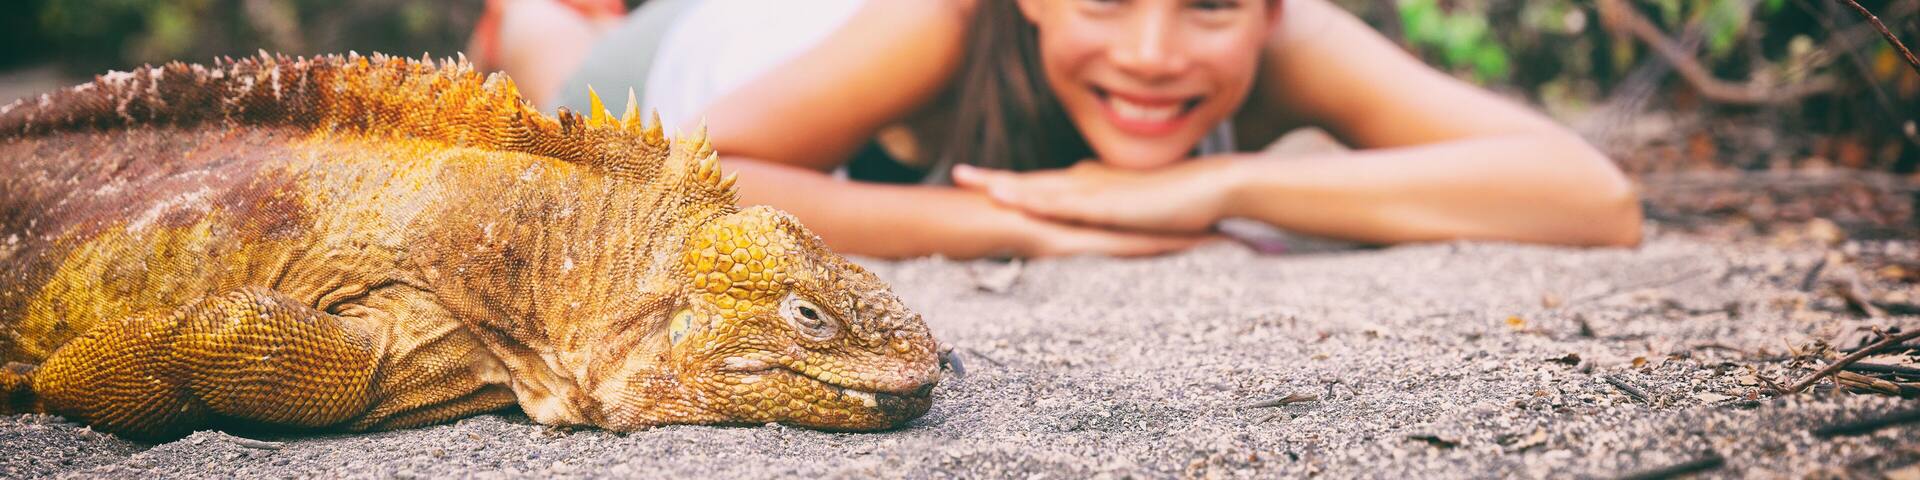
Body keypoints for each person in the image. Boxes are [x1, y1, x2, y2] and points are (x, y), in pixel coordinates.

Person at [474, 0, 1643, 259]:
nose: (1149, 52)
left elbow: (1591, 197)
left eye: (1211, 7)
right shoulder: (950, 19)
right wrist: (1019, 224)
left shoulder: (1296, 45)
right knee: (556, 76)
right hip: (692, 60)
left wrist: (1217, 189)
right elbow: (687, 169)